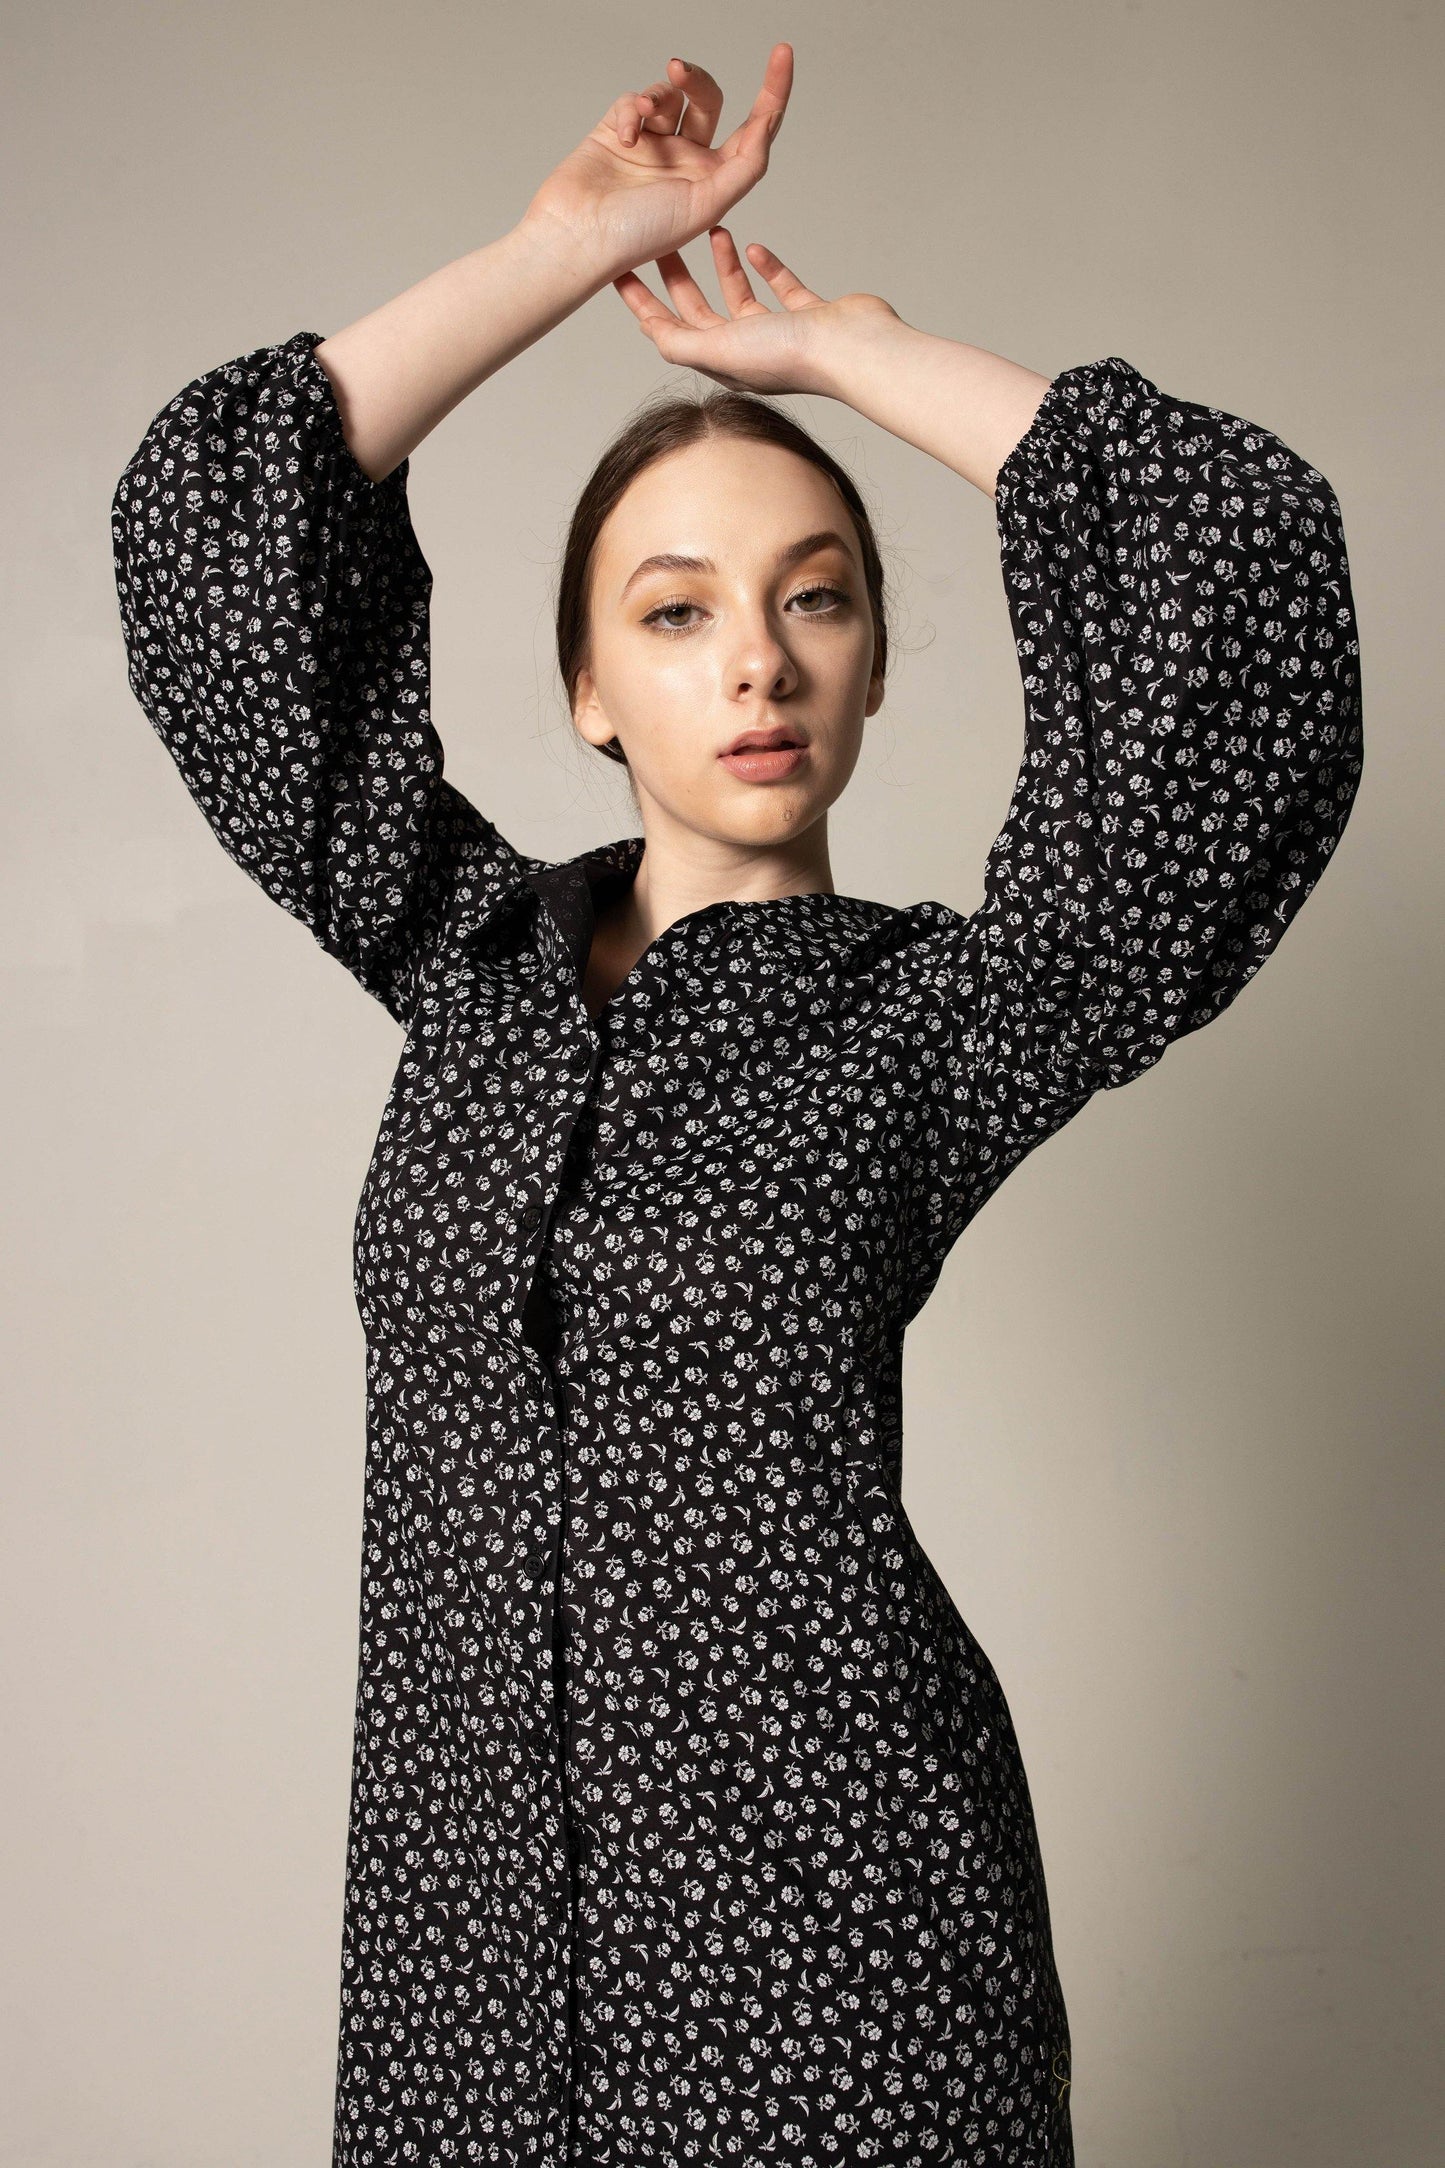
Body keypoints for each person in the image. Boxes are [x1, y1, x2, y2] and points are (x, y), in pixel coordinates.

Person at [109, 43, 1363, 2168]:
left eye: (818, 598)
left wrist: (850, 362)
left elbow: (1238, 576)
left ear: (876, 664)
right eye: (678, 615)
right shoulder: (460, 955)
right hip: (464, 1963)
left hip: (843, 1958)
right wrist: (561, 251)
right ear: (589, 690)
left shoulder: (946, 1016)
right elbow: (213, 537)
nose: (759, 664)